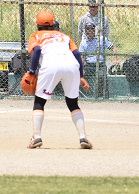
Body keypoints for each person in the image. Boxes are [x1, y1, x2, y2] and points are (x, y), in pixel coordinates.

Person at [25, 11, 92, 149]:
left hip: (51, 65)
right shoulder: (64, 36)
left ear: (37, 24)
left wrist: (31, 72)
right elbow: (77, 54)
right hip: (72, 66)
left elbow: (36, 51)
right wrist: (81, 76)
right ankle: (83, 137)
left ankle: (36, 137)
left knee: (39, 102)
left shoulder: (35, 35)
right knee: (73, 103)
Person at [79, 22, 118, 98]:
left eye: (90, 29)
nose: (88, 32)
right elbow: (82, 57)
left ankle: (102, 97)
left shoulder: (101, 39)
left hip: (100, 65)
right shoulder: (83, 43)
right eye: (87, 30)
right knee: (80, 76)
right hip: (89, 65)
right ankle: (82, 96)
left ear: (94, 31)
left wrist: (115, 59)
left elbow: (113, 48)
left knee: (101, 77)